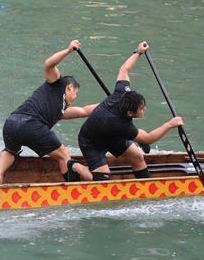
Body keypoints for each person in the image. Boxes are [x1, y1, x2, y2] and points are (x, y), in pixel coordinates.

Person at [0, 40, 97, 185]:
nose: (75, 98)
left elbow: (84, 111)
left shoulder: (60, 110)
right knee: (64, 155)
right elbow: (49, 63)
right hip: (31, 124)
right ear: (69, 87)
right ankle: (72, 186)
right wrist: (68, 50)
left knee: (11, 150)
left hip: (11, 123)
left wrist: (112, 103)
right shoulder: (57, 83)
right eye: (76, 93)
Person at [78, 42, 184, 180]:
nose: (144, 109)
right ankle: (75, 167)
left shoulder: (122, 91)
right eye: (141, 109)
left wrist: (138, 52)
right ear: (129, 113)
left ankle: (145, 186)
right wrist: (170, 124)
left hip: (112, 135)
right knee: (103, 179)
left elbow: (124, 69)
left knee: (137, 157)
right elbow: (147, 138)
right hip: (91, 142)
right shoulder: (121, 124)